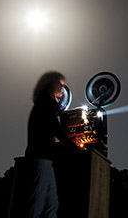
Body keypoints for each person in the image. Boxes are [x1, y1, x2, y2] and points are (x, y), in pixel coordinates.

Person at [24, 71, 78, 218]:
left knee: (51, 204)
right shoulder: (46, 103)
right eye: (61, 84)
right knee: (37, 202)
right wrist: (71, 145)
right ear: (51, 83)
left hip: (45, 159)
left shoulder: (44, 103)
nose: (63, 88)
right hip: (40, 157)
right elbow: (55, 127)